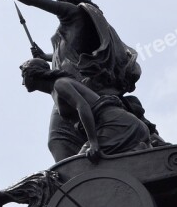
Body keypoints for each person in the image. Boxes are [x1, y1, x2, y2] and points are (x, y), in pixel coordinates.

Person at [0, 0, 163, 161]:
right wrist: (44, 56)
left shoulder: (73, 13)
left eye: (61, 1)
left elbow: (32, 0)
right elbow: (71, 53)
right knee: (62, 138)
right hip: (72, 88)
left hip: (83, 87)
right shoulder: (71, 29)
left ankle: (79, 175)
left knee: (63, 137)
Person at [19, 59, 151, 162]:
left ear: (32, 74)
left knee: (78, 164)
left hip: (118, 125)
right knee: (77, 163)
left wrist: (93, 142)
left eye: (23, 76)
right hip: (113, 126)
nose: (23, 83)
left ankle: (137, 150)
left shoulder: (60, 84)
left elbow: (83, 107)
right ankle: (137, 150)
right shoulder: (56, 88)